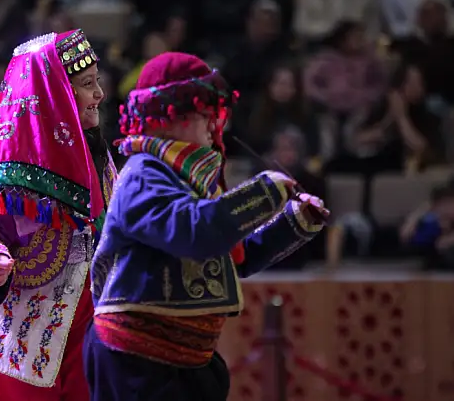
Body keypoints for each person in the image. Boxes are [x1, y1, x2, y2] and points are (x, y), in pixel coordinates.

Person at [84, 52, 329, 401]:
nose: (216, 127)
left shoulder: (191, 178)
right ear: (172, 116)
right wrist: (264, 192)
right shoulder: (142, 173)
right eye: (205, 115)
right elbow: (195, 234)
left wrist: (296, 222)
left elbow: (234, 259)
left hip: (187, 361)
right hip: (137, 362)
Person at [0, 30, 117, 400]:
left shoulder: (98, 158)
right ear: (57, 96)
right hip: (28, 344)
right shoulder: (11, 168)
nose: (100, 95)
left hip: (93, 338)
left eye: (97, 82)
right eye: (88, 85)